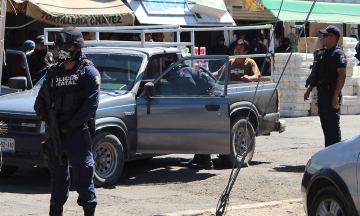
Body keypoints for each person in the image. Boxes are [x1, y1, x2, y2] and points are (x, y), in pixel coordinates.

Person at [33, 27, 100, 216]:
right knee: (57, 179)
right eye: (60, 46)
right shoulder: (53, 72)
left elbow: (91, 105)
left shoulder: (89, 72)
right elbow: (40, 100)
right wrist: (44, 115)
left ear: (77, 48)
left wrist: (69, 126)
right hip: (55, 133)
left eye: (67, 46)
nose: (63, 50)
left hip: (76, 132)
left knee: (84, 176)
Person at [186, 40, 260, 170]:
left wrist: (250, 78)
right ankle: (201, 156)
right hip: (227, 93)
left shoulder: (250, 62)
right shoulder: (230, 61)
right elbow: (218, 74)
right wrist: (204, 74)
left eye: (240, 48)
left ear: (246, 51)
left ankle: (205, 157)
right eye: (236, 48)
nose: (237, 50)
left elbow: (257, 75)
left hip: (243, 92)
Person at [304, 25, 347, 147]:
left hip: (331, 94)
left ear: (333, 38)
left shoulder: (337, 54)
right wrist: (309, 89)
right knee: (325, 126)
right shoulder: (324, 54)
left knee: (332, 126)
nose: (322, 38)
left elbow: (342, 76)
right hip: (322, 94)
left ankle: (336, 155)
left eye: (325, 35)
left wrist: (336, 96)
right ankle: (328, 153)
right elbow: (317, 74)